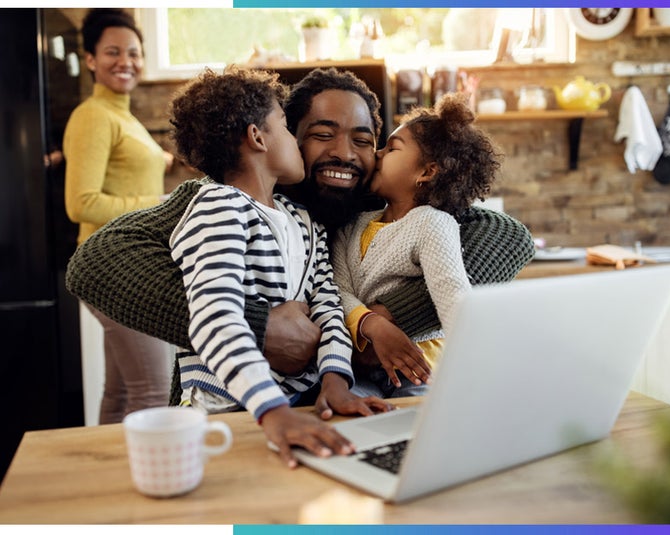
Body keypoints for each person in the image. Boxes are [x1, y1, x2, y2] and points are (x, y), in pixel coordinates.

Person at [65, 67, 535, 403]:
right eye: (322, 134)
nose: (344, 153)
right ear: (282, 136)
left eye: (365, 140)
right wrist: (258, 326)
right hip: (236, 408)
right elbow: (96, 262)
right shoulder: (224, 196)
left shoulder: (380, 205)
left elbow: (507, 235)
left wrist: (383, 319)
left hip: (352, 402)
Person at [166, 66, 391, 466]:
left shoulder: (303, 221)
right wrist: (273, 411)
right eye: (289, 128)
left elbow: (328, 307)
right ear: (257, 137)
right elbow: (214, 317)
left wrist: (336, 381)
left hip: (294, 409)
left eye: (362, 139)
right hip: (228, 410)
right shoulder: (217, 207)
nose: (341, 150)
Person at [332, 93, 500, 397]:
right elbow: (339, 292)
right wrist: (371, 323)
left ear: (427, 171)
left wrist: (480, 370)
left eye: (392, 148)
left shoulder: (431, 223)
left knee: (420, 431)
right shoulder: (351, 225)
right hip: (360, 368)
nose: (378, 154)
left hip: (420, 368)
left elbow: (453, 297)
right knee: (353, 419)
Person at [63, 8, 174, 424]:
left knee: (122, 390)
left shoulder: (120, 116)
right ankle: (146, 483)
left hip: (120, 266)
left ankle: (100, 481)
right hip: (112, 269)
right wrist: (162, 204)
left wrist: (159, 159)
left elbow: (122, 170)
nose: (125, 61)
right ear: (90, 58)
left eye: (133, 52)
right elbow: (82, 203)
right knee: (154, 389)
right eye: (112, 52)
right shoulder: (93, 116)